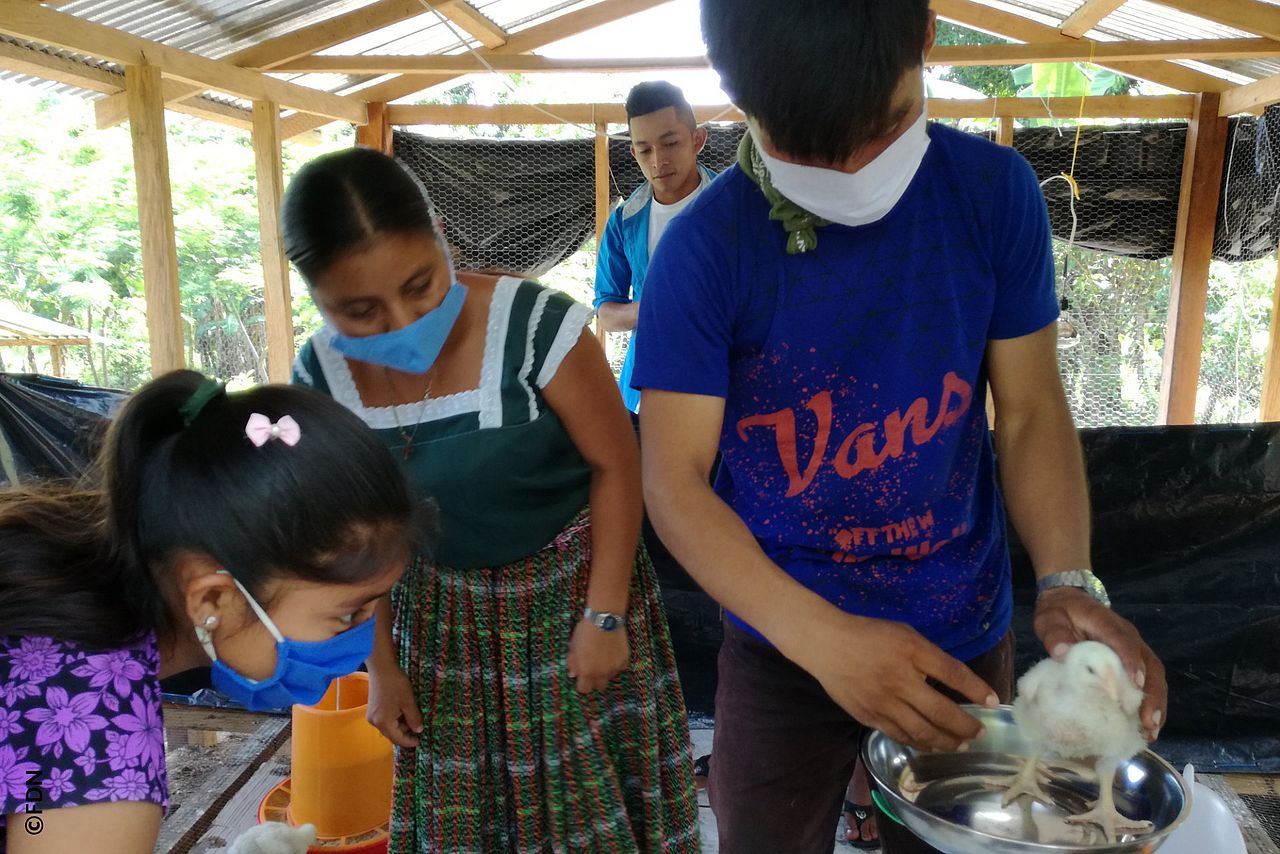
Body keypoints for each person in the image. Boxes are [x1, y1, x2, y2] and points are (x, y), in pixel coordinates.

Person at [633, 3, 1169, 853]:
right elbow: (672, 479)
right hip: (781, 645)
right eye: (807, 144)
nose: (847, 169)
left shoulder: (992, 195)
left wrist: (1069, 577)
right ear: (736, 95)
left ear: (925, 36)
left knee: (957, 842)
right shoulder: (706, 247)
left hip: (959, 632)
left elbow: (1029, 410)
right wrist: (820, 639)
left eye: (875, 130)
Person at [283, 147, 699, 853]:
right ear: (318, 301)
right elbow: (362, 534)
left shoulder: (538, 327)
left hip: (570, 599)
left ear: (442, 235)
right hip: (438, 621)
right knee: (467, 819)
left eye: (420, 286)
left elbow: (616, 464)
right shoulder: (321, 376)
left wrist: (605, 614)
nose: (399, 322)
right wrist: (379, 667)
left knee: (584, 814)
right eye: (358, 311)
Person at [0, 370, 425, 853]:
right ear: (212, 601)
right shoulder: (92, 735)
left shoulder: (60, 561)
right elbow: (44, 797)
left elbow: (30, 788)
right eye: (347, 615)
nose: (363, 637)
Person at [594, 81, 716, 414]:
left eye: (670, 143)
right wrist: (652, 308)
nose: (658, 160)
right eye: (645, 150)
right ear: (633, 152)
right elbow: (606, 311)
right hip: (647, 392)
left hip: (728, 391)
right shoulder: (624, 221)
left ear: (697, 140)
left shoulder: (734, 207)